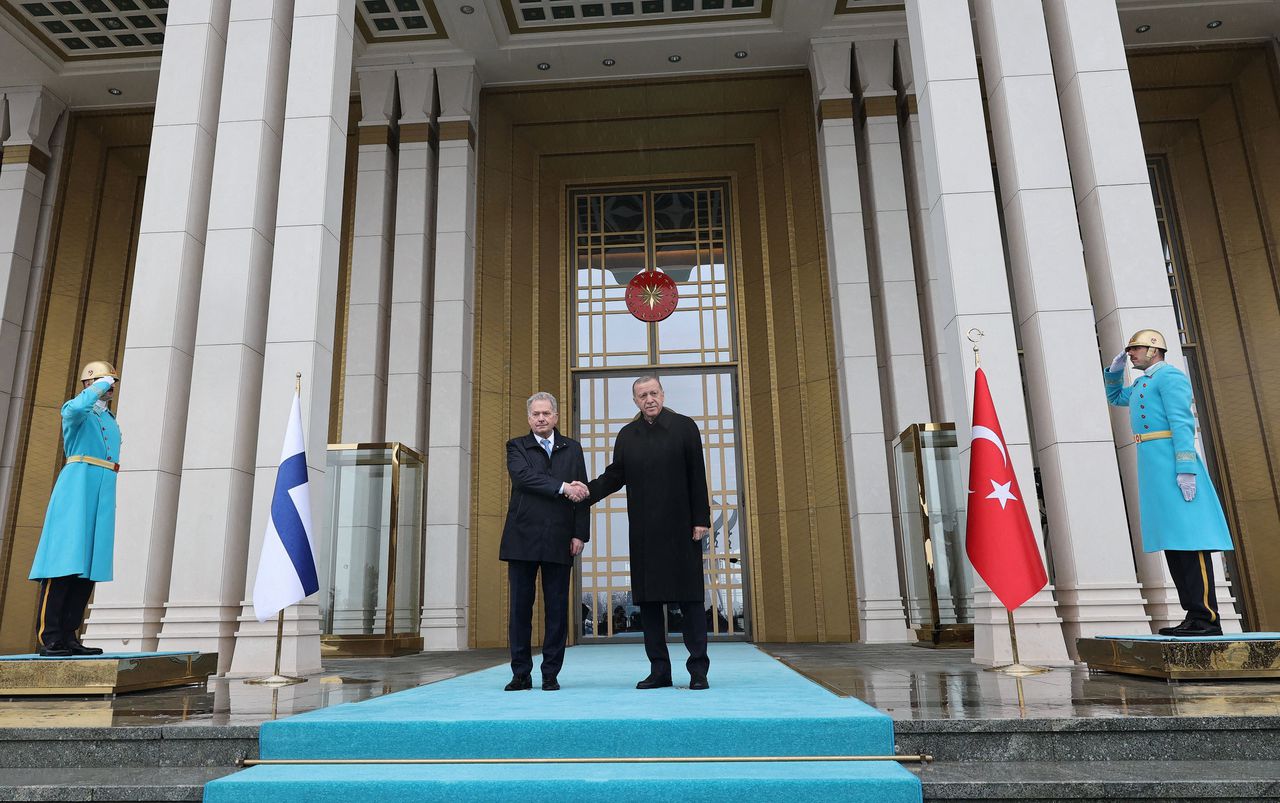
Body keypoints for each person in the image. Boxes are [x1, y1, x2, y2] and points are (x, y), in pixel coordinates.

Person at [576, 375, 712, 690]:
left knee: (691, 600)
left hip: (682, 529)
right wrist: (587, 492)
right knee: (649, 604)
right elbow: (615, 475)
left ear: (662, 394)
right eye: (642, 395)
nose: (649, 399)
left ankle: (698, 671)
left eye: (653, 393)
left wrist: (701, 519)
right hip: (645, 532)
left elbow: (697, 473)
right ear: (635, 401)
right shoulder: (627, 436)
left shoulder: (684, 427)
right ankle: (659, 671)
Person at [1104, 330, 1234, 636]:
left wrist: (1186, 465)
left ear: (1153, 350)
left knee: (1191, 542)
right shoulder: (1142, 382)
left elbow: (1182, 422)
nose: (1131, 353)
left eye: (1134, 349)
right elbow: (1115, 398)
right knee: (1174, 545)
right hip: (1155, 466)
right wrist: (1115, 371)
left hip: (1174, 463)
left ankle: (1207, 619)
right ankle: (1193, 615)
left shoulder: (1170, 377)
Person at [28, 361, 121, 656]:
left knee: (87, 567)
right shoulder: (77, 411)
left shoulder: (109, 418)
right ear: (90, 384)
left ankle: (70, 635)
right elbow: (75, 410)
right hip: (77, 485)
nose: (110, 387)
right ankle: (50, 636)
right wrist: (100, 384)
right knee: (63, 561)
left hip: (102, 489)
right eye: (105, 382)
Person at [499, 391, 589, 691]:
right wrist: (563, 487)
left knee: (557, 610)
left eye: (546, 413)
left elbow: (582, 494)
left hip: (560, 539)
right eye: (535, 414)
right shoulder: (517, 447)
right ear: (529, 418)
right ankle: (521, 673)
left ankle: (550, 674)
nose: (541, 418)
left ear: (556, 416)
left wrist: (580, 534)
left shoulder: (573, 449)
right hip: (522, 538)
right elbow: (524, 478)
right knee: (520, 611)